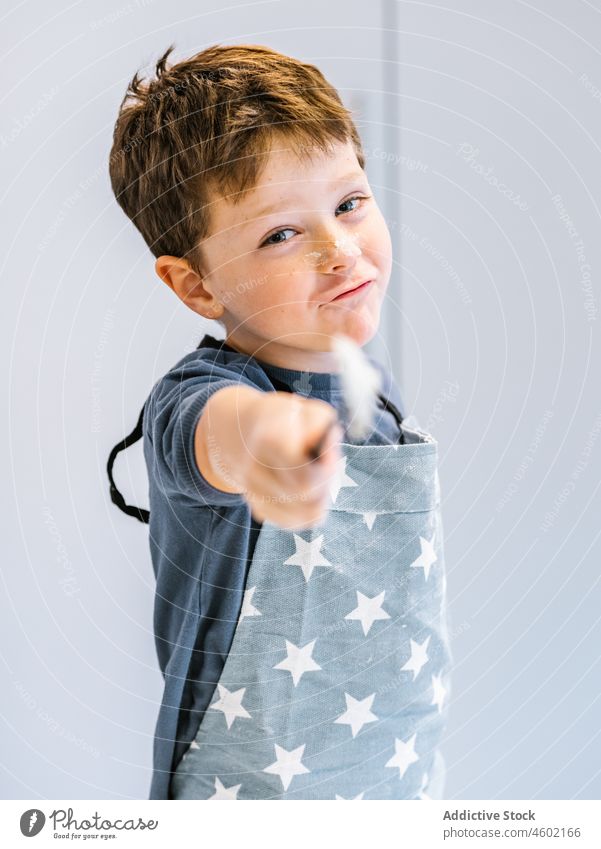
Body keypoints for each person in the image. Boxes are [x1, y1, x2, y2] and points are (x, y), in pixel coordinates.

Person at [107, 42, 452, 800]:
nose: (339, 249)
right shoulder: (199, 396)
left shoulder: (375, 396)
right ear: (195, 286)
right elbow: (225, 430)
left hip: (397, 787)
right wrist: (268, 440)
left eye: (349, 203)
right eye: (281, 234)